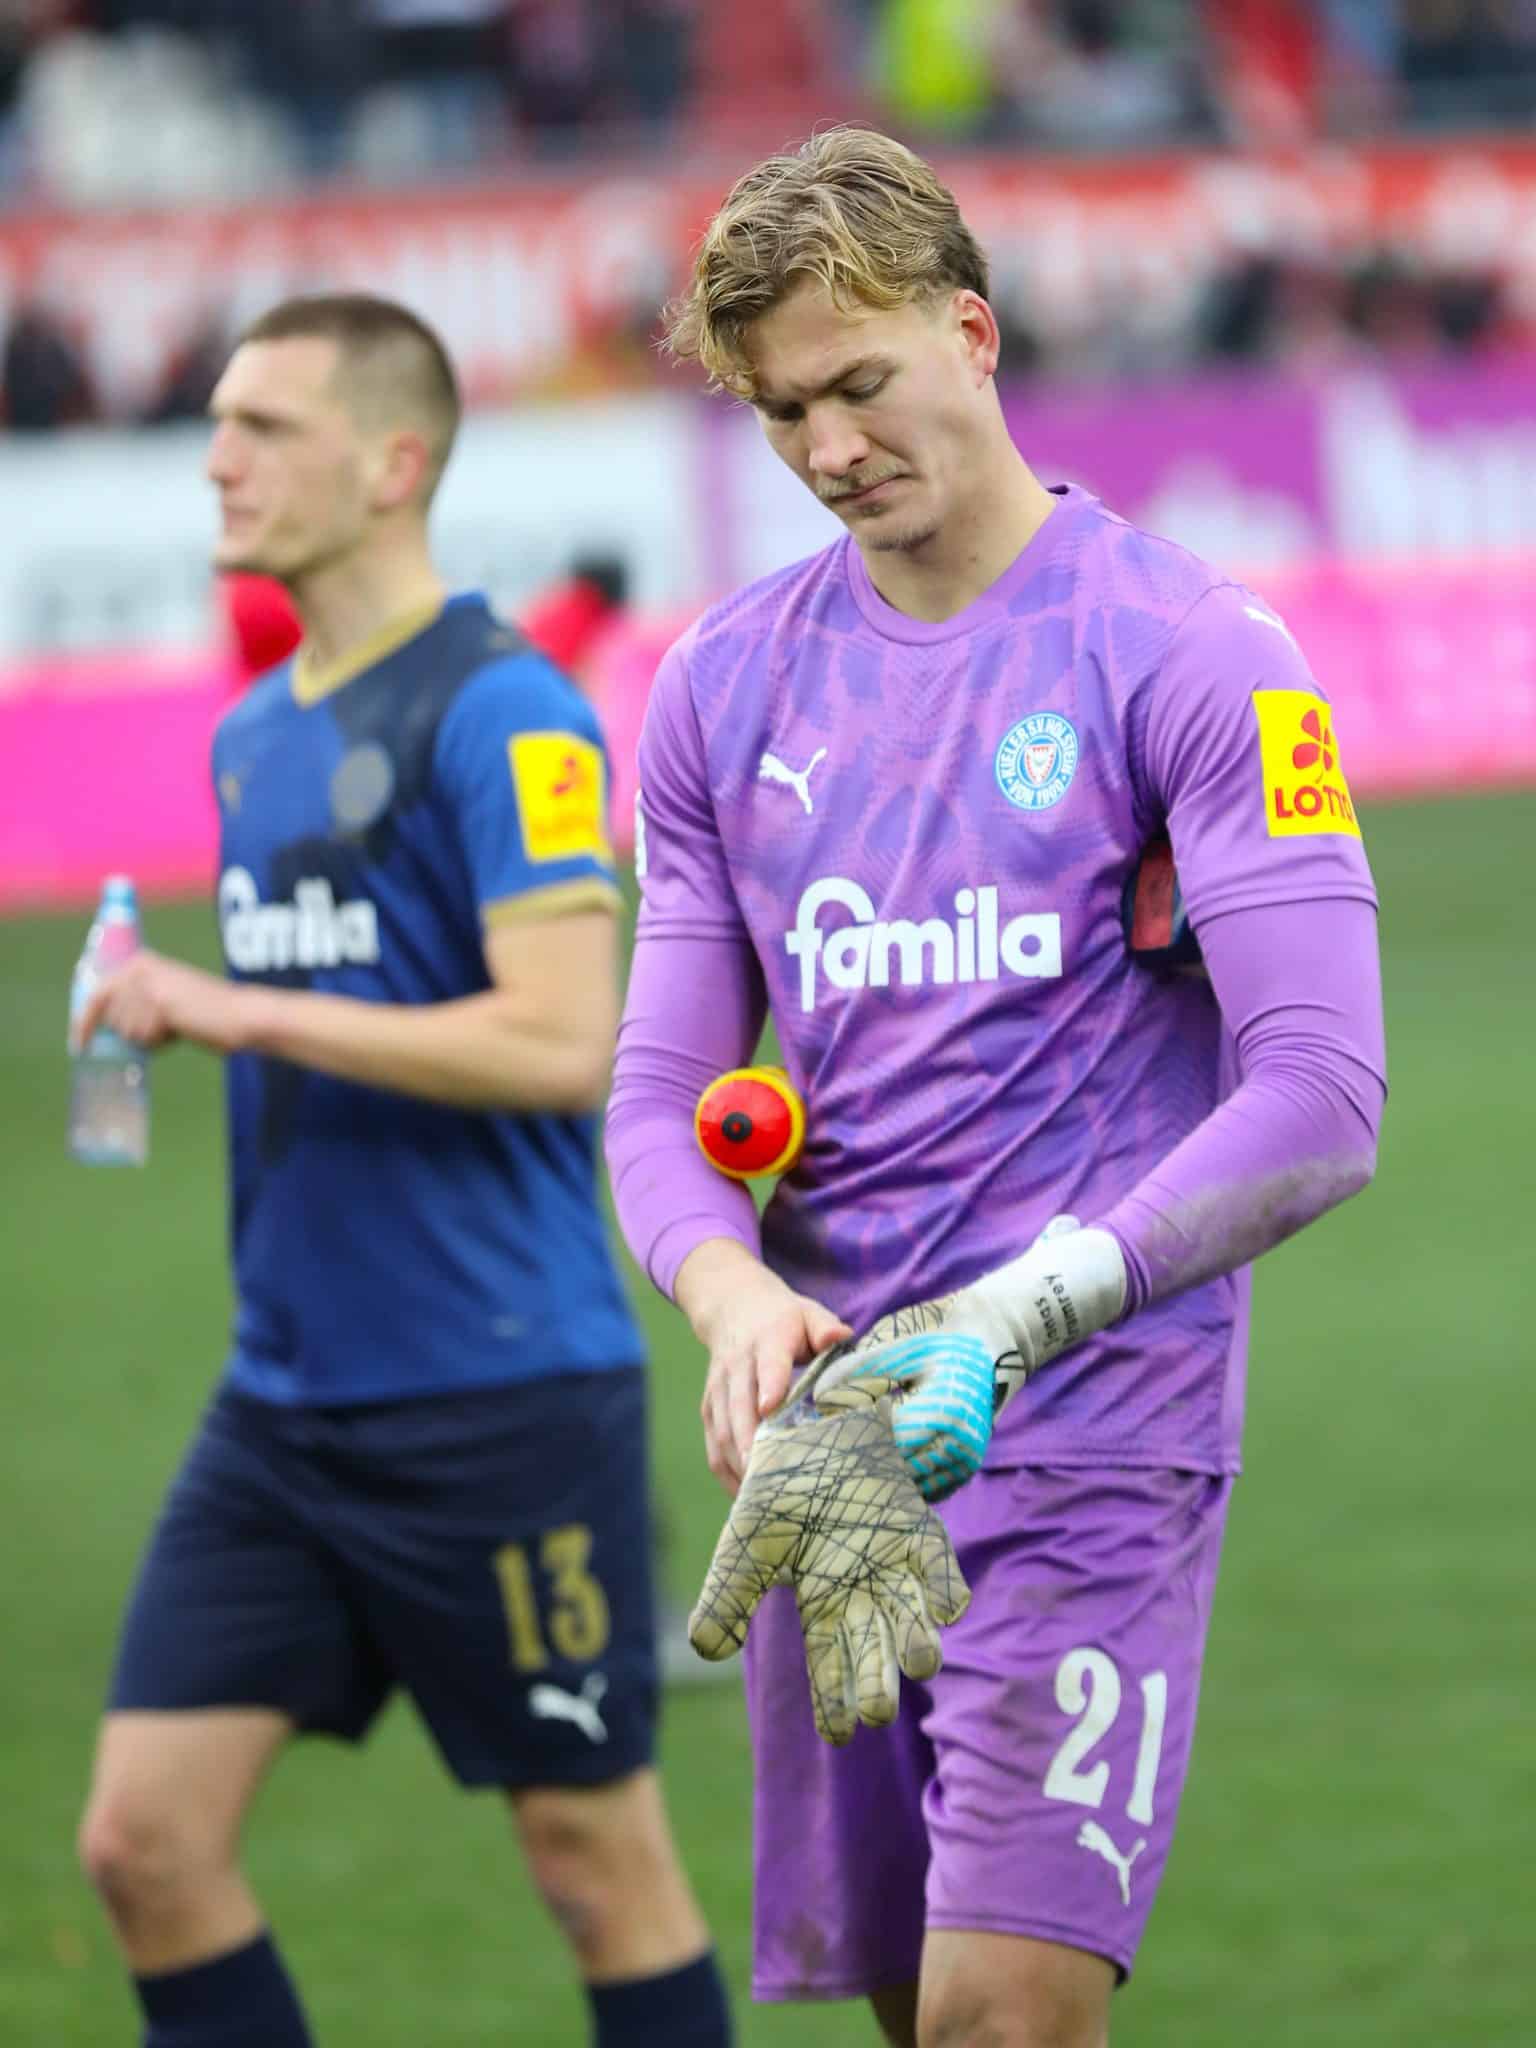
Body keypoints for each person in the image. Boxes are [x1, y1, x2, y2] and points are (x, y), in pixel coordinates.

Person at [603, 128, 1384, 2048]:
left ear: (973, 332)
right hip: (841, 1449)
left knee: (998, 2022)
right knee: (905, 2015)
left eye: (861, 384)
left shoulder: (1197, 654)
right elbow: (656, 1098)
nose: (831, 447)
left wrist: (1025, 1315)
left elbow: (1326, 1090)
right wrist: (728, 1297)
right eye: (787, 413)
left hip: (1091, 1427)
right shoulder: (720, 691)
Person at [74, 292, 732, 2048]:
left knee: (595, 1865)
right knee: (144, 1845)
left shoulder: (506, 711)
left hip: (495, 1398)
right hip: (285, 1409)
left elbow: (561, 1042)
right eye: (217, 421)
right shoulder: (255, 728)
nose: (218, 457)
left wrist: (240, 1012)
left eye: (264, 427)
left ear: (395, 462)